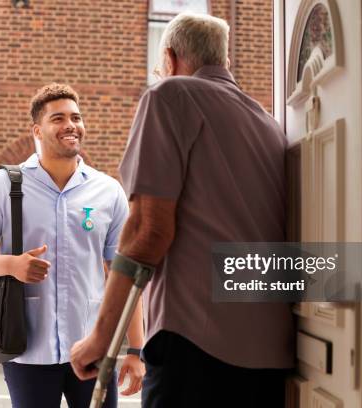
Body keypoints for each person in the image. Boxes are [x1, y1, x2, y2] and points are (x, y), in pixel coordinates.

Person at [71, 13, 294, 407]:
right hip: (270, 354)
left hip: (195, 347)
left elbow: (147, 231)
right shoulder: (268, 124)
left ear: (171, 59)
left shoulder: (170, 95)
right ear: (224, 62)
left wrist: (101, 339)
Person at [0, 83, 145, 408]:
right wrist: (12, 265)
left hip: (94, 348)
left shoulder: (108, 191)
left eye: (76, 117)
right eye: (58, 118)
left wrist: (136, 350)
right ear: (37, 130)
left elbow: (125, 273)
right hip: (27, 351)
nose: (71, 125)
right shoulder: (5, 184)